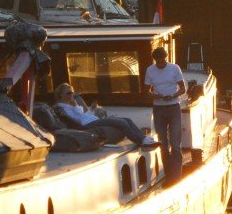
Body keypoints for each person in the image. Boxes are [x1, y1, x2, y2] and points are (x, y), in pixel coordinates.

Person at [53, 83, 158, 149]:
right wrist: (75, 106)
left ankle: (143, 138)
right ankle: (141, 141)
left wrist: (92, 109)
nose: (71, 95)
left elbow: (83, 116)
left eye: (72, 93)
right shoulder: (61, 107)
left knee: (127, 119)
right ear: (61, 94)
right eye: (68, 93)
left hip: (90, 120)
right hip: (86, 124)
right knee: (121, 123)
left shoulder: (69, 105)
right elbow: (77, 120)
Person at [144, 47, 186, 184]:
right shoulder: (150, 70)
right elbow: (147, 91)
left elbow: (183, 88)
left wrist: (173, 95)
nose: (160, 63)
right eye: (158, 61)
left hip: (174, 107)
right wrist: (156, 96)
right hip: (158, 109)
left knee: (175, 144)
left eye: (162, 60)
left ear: (166, 58)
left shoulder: (174, 68)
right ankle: (169, 176)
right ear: (155, 60)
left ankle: (177, 177)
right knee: (163, 145)